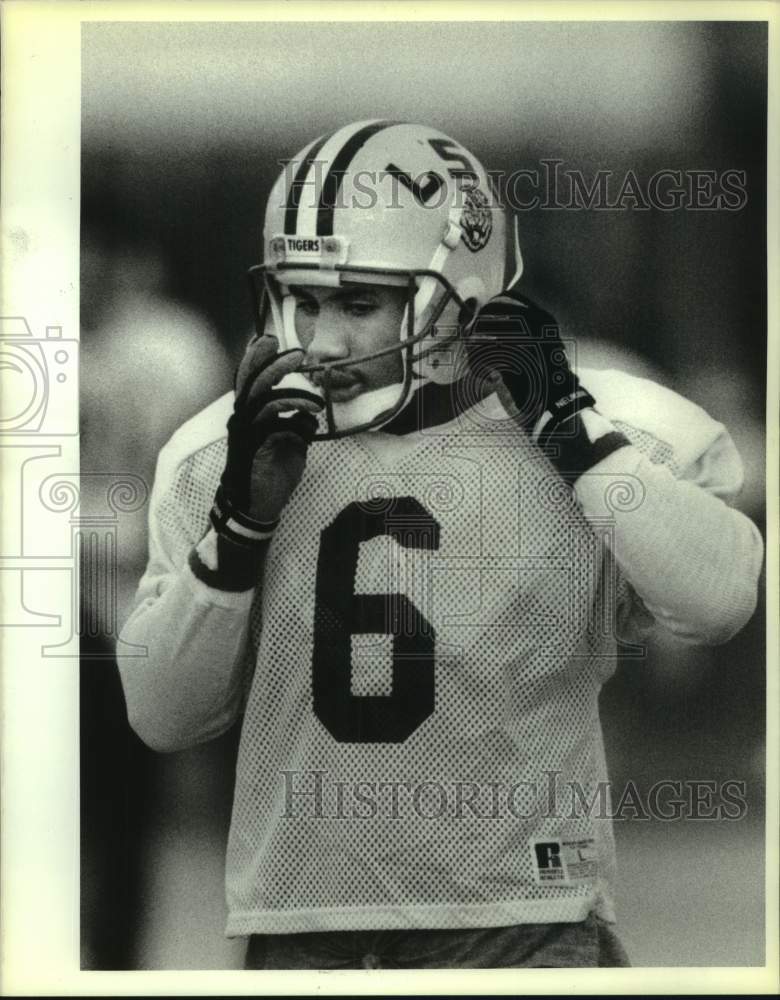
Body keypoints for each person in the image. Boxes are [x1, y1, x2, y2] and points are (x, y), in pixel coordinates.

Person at [117, 121, 763, 969]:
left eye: (358, 302)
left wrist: (573, 439)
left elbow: (720, 602)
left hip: (527, 919)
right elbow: (162, 715)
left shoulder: (599, 425)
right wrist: (239, 529)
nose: (324, 341)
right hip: (303, 927)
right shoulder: (220, 454)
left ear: (460, 293)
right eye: (304, 300)